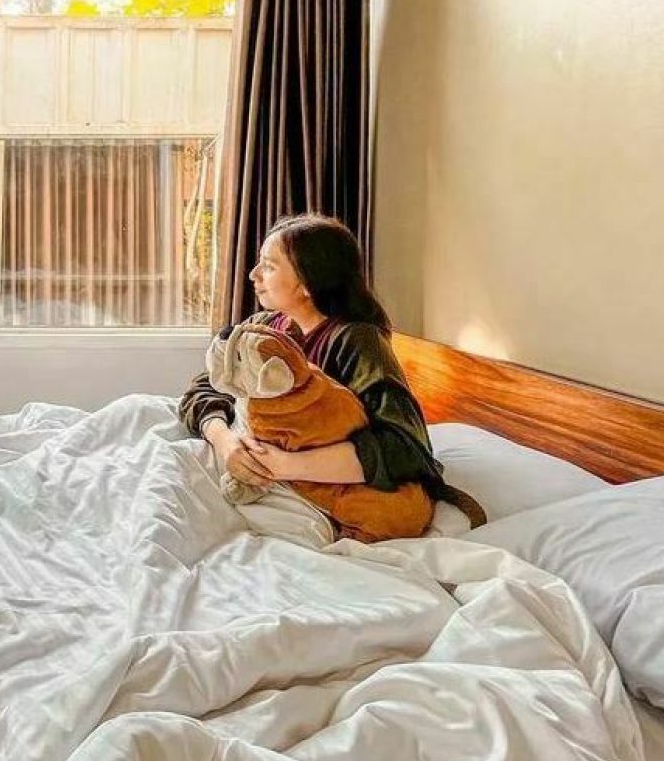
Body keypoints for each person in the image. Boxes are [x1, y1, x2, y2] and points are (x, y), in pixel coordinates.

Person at [180, 213, 484, 541]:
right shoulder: (265, 326)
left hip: (314, 485)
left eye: (268, 266)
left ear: (307, 282)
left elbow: (405, 446)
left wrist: (282, 465)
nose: (253, 274)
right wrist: (226, 442)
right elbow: (204, 388)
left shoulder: (358, 341)